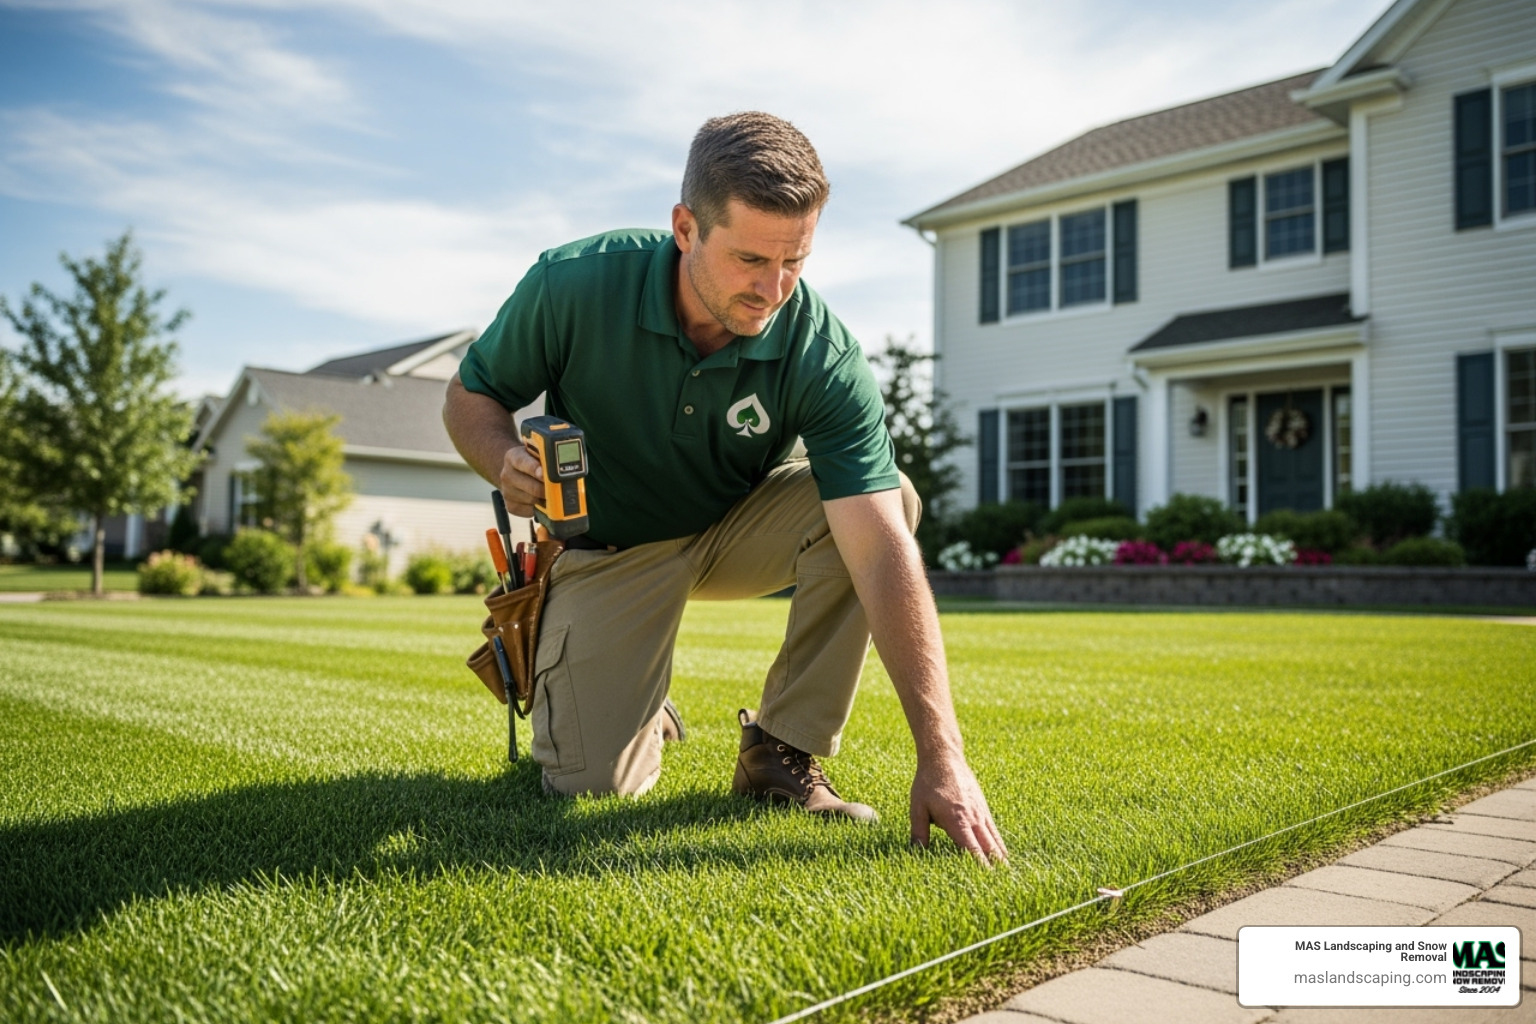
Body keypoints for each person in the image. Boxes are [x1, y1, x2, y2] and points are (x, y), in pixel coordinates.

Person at [443, 112, 1006, 863]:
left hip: (739, 521)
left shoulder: (820, 349)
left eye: (794, 263)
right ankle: (640, 704)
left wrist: (943, 756)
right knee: (589, 790)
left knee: (889, 501)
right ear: (685, 227)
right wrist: (502, 456)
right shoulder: (571, 284)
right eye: (749, 260)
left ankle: (779, 751)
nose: (773, 289)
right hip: (612, 547)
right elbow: (469, 397)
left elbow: (879, 551)